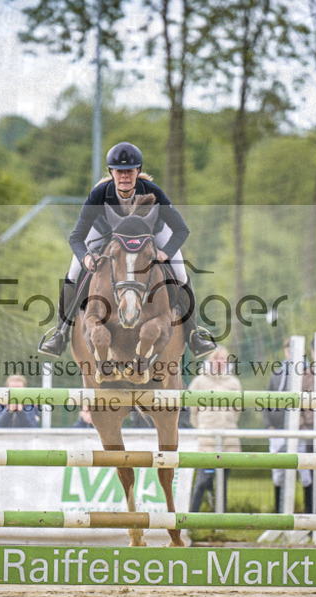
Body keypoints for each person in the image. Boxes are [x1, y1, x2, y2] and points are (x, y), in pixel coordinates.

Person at [38, 141, 216, 359]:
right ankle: (60, 334)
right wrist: (85, 257)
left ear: (137, 172)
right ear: (112, 172)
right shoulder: (98, 195)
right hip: (106, 236)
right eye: (119, 172)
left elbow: (181, 229)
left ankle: (193, 335)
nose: (124, 176)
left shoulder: (153, 192)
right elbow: (76, 237)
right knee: (74, 273)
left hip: (151, 235)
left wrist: (165, 252)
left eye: (129, 172)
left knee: (180, 274)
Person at [263, 337, 316, 513]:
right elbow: (266, 400)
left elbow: (304, 403)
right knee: (279, 474)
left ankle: (311, 515)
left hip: (301, 431)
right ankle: (280, 515)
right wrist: (268, 423)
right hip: (278, 430)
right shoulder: (277, 374)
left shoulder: (308, 373)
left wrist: (302, 424)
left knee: (307, 474)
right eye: (288, 351)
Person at [187, 346, 242, 512]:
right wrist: (203, 428)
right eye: (217, 359)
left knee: (223, 482)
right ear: (211, 361)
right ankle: (191, 518)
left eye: (223, 359)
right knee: (204, 479)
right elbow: (192, 411)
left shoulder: (233, 383)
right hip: (207, 441)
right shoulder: (199, 382)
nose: (220, 363)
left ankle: (220, 521)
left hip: (228, 440)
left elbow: (237, 410)